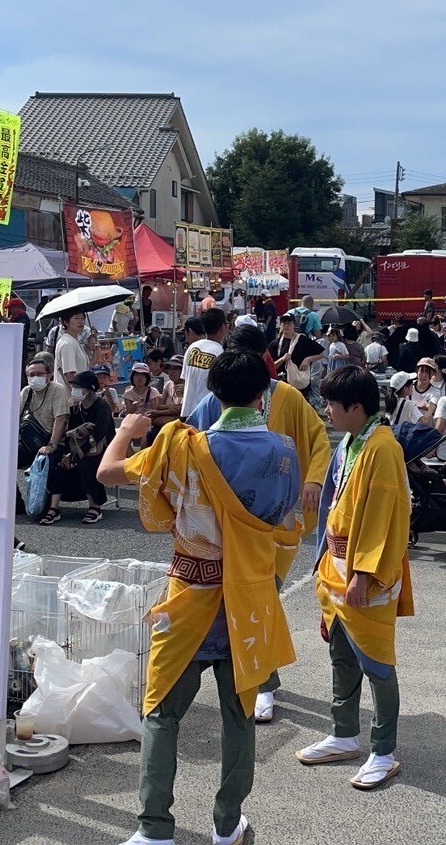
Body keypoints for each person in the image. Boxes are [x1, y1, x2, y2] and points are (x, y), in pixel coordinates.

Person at [97, 348, 302, 845]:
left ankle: (153, 830)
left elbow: (108, 473)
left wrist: (126, 432)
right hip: (247, 599)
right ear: (262, 394)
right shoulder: (283, 452)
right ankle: (227, 825)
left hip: (189, 593)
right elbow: (285, 517)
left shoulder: (181, 448)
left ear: (212, 393)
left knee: (162, 714)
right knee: (240, 714)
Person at [182, 325, 331, 725]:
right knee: (245, 601)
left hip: (273, 522)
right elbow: (188, 437)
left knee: (261, 598)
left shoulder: (287, 398)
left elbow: (318, 440)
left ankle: (262, 683)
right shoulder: (220, 398)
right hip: (225, 522)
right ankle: (259, 679)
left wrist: (314, 478)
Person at [297, 366, 413, 792]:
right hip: (338, 568)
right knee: (343, 655)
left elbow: (386, 516)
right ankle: (344, 733)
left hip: (364, 572)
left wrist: (363, 574)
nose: (326, 411)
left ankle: (383, 751)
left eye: (331, 404)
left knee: (377, 663)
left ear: (356, 407)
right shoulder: (353, 440)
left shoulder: (382, 447)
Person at [44, 372, 113, 524]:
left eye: (77, 387)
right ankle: (53, 507)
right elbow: (70, 434)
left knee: (85, 464)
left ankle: (94, 506)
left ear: (88, 389)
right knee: (57, 461)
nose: (74, 390)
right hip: (78, 446)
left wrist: (77, 455)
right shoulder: (75, 408)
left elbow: (99, 434)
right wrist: (68, 453)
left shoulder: (101, 406)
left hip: (102, 448)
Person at [20, 358, 70, 491]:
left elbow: (61, 419)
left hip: (53, 440)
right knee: (4, 460)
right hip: (30, 441)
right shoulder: (26, 391)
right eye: (31, 374)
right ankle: (16, 501)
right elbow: (15, 416)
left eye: (39, 374)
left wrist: (51, 445)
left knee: (46, 462)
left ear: (49, 375)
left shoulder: (57, 390)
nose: (35, 377)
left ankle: (45, 505)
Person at [179, 308, 228, 419]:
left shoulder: (192, 348)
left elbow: (184, 379)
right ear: (223, 327)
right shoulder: (220, 353)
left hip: (187, 412)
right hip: (207, 414)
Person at [273, 314, 324, 390]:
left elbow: (321, 354)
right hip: (281, 384)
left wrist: (308, 359)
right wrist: (282, 359)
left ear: (294, 325)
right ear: (280, 325)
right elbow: (271, 366)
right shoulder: (275, 343)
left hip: (300, 384)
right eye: (284, 323)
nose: (286, 326)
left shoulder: (303, 340)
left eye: (289, 323)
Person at [51, 310, 92, 385]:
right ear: (66, 322)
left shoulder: (73, 341)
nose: (81, 322)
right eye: (76, 318)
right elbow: (69, 374)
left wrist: (90, 346)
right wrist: (76, 393)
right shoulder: (68, 343)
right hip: (69, 394)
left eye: (82, 318)